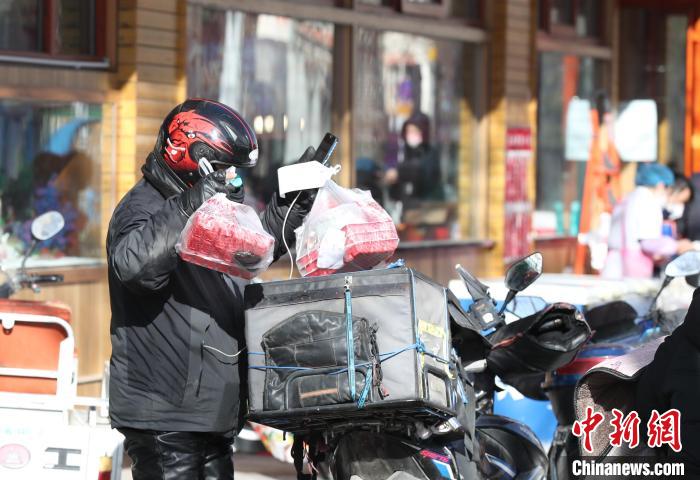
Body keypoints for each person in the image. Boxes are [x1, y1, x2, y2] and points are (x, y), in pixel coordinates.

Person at [107, 99, 315, 479]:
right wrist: (192, 202)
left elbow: (250, 252)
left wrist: (289, 206)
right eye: (222, 167)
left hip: (210, 408)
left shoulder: (212, 206)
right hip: (165, 411)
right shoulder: (142, 207)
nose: (230, 177)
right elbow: (136, 269)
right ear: (193, 157)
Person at [602, 163, 694, 279]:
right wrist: (677, 246)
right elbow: (648, 242)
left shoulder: (631, 197)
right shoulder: (647, 201)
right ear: (661, 186)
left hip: (614, 264)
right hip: (632, 266)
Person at [385, 112, 443, 203]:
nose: (411, 135)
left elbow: (426, 172)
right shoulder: (402, 151)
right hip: (402, 206)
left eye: (415, 131)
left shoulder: (430, 152)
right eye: (409, 131)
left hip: (424, 206)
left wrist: (399, 172)